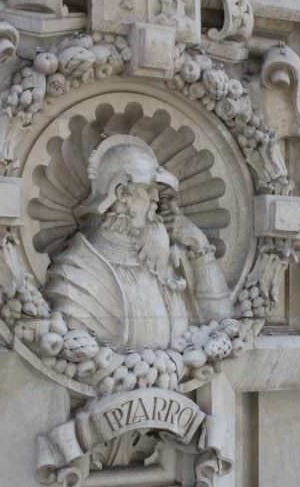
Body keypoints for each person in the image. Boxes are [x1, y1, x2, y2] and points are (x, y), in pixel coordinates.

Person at [44, 135, 230, 352]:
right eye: (149, 189)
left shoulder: (167, 259)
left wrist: (200, 247)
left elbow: (219, 321)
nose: (156, 200)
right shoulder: (76, 271)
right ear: (122, 194)